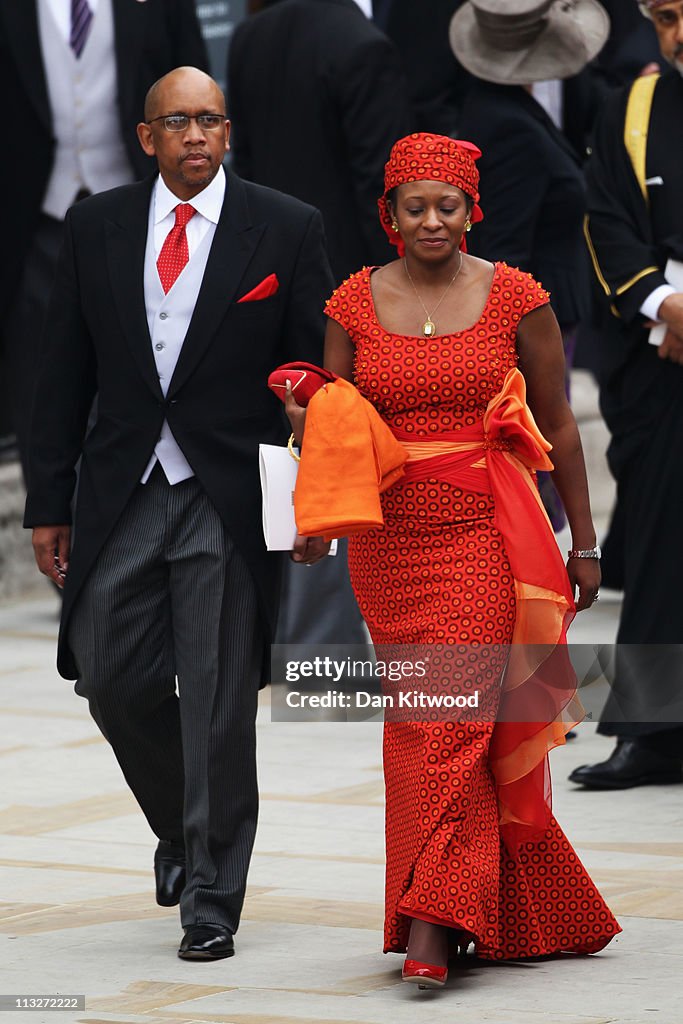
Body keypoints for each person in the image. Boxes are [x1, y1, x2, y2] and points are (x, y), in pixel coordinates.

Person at [286, 132, 620, 988]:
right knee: (422, 722)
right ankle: (491, 905)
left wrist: (582, 542)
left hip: (485, 534)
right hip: (388, 545)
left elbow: (559, 428)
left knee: (456, 718)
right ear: (387, 215)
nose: (432, 220)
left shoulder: (516, 296)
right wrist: (303, 427)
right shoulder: (352, 302)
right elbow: (335, 428)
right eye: (414, 206)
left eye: (448, 205)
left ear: (474, 211)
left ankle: (435, 921)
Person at [24, 67, 334, 961]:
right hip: (122, 486)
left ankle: (212, 893)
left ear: (228, 134)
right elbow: (61, 372)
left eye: (210, 120)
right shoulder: (96, 226)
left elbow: (315, 378)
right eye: (177, 122)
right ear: (145, 136)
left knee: (215, 701)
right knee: (111, 677)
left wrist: (311, 488)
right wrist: (49, 500)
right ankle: (177, 826)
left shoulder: (285, 225)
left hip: (226, 494)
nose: (195, 135)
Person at [228, 0, 412, 665]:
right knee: (334, 445)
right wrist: (389, 301)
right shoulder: (363, 46)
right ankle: (322, 652)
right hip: (343, 285)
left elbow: (242, 162)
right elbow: (379, 191)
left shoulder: (250, 36)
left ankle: (294, 640)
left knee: (290, 438)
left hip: (263, 274)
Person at [0, 0, 208, 478]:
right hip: (34, 228)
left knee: (152, 382)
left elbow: (195, 86)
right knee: (42, 393)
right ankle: (58, 525)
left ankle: (151, 529)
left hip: (146, 217)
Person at [571, 0, 683, 790]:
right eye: (665, 18)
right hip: (657, 352)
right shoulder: (632, 104)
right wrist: (661, 304)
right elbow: (601, 216)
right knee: (653, 541)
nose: (675, 37)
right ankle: (653, 729)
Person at [453, 0, 610, 530]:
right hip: (532, 326)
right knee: (539, 470)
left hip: (544, 316)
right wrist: (509, 346)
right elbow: (505, 250)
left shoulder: (506, 108)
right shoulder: (507, 123)